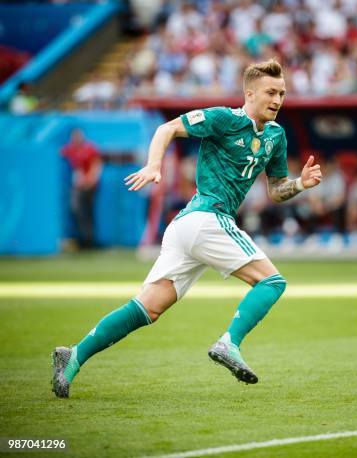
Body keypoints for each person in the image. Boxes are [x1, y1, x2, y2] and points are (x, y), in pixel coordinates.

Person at [51, 59, 323, 398]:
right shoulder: (224, 118)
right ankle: (229, 344)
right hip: (206, 218)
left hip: (190, 227)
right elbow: (166, 129)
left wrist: (299, 184)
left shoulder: (275, 136)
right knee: (271, 282)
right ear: (249, 93)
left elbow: (277, 190)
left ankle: (72, 356)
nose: (278, 100)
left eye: (282, 93)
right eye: (271, 92)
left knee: (147, 308)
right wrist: (153, 165)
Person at [61, 129, 102, 249]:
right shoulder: (70, 149)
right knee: (77, 210)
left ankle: (89, 240)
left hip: (90, 186)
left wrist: (88, 180)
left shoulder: (89, 149)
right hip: (78, 186)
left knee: (88, 212)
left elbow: (96, 166)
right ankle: (82, 238)